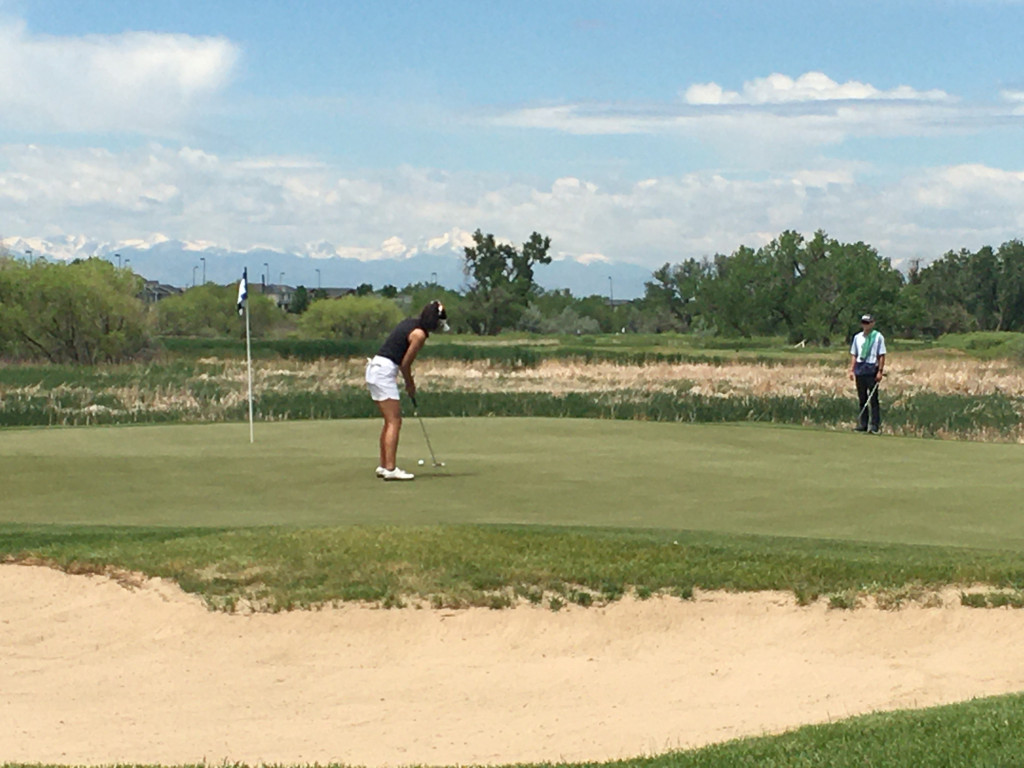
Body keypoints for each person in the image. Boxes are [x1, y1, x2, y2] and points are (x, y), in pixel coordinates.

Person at [365, 300, 448, 480]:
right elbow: (405, 363)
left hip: (375, 369)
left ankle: (383, 465)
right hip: (383, 372)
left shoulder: (409, 323)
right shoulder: (419, 335)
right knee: (395, 421)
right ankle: (390, 468)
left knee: (389, 421)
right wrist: (410, 384)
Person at [849, 313, 886, 434]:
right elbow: (854, 354)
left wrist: (880, 371)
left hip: (871, 367)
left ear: (872, 323)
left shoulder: (877, 337)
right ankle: (863, 424)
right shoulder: (857, 337)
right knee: (862, 398)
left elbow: (881, 355)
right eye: (863, 323)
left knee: (873, 399)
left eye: (868, 323)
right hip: (860, 367)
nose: (865, 325)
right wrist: (852, 370)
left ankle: (874, 425)